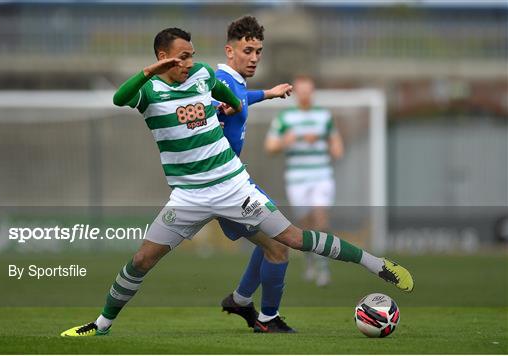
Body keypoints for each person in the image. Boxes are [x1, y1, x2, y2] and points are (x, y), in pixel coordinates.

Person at [60, 27, 414, 338]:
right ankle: (101, 325)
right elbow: (118, 98)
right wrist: (152, 71)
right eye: (182, 57)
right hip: (188, 197)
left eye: (192, 56)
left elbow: (232, 98)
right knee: (141, 260)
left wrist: (227, 106)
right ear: (163, 57)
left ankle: (376, 264)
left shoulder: (201, 75)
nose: (189, 62)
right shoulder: (148, 91)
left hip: (233, 186)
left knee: (290, 239)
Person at [213, 16, 296, 333]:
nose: (254, 58)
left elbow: (240, 97)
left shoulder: (234, 83)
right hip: (223, 188)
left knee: (272, 243)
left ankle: (241, 300)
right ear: (230, 51)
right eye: (248, 50)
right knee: (280, 245)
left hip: (230, 183)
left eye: (259, 51)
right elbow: (214, 106)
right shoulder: (219, 84)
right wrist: (218, 115)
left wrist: (269, 93)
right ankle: (268, 318)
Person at [265, 75, 344, 287]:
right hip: (297, 178)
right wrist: (286, 141)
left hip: (321, 175)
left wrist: (329, 146)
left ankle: (323, 267)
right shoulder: (285, 118)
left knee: (321, 218)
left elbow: (337, 146)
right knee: (306, 224)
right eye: (301, 90)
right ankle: (310, 259)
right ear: (295, 93)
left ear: (313, 92)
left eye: (308, 90)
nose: (305, 94)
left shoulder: (324, 116)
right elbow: (270, 147)